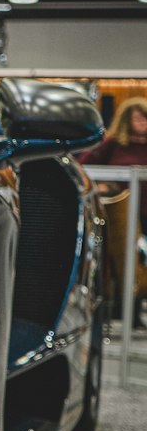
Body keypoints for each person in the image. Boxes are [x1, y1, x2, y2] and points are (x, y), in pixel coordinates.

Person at [80, 96, 147, 329]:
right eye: (137, 118)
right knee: (115, 260)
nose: (142, 123)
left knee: (141, 264)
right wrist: (102, 185)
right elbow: (85, 166)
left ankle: (135, 312)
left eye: (145, 118)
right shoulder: (113, 144)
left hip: (145, 214)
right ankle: (111, 310)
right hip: (118, 213)